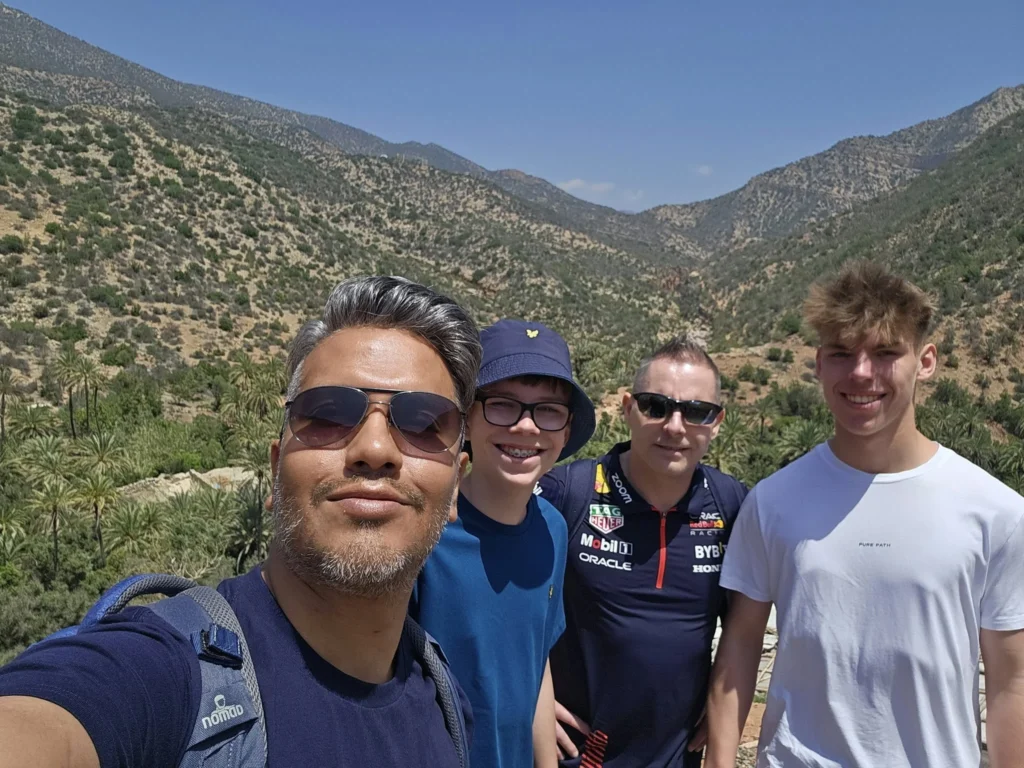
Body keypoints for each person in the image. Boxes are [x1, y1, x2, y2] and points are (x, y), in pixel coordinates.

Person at [0, 276, 483, 768]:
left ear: (456, 486)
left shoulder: (445, 702)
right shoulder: (164, 674)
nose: (374, 450)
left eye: (424, 421)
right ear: (275, 471)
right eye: (330, 413)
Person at [706, 261, 1024, 768]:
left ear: (926, 361)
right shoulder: (772, 502)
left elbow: (1011, 682)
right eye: (841, 353)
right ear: (817, 363)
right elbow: (740, 648)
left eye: (885, 353)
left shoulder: (996, 512)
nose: (860, 373)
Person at [537, 337, 748, 767]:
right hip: (574, 755)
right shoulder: (567, 493)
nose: (675, 426)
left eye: (696, 411)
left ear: (717, 421)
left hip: (678, 756)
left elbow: (742, 635)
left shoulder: (734, 506)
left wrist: (724, 715)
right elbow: (493, 589)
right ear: (628, 407)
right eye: (656, 406)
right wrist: (527, 698)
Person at [410, 319, 596, 768]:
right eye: (503, 405)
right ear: (467, 418)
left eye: (548, 410)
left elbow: (536, 661)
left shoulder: (552, 528)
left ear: (566, 431)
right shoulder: (424, 532)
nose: (526, 427)